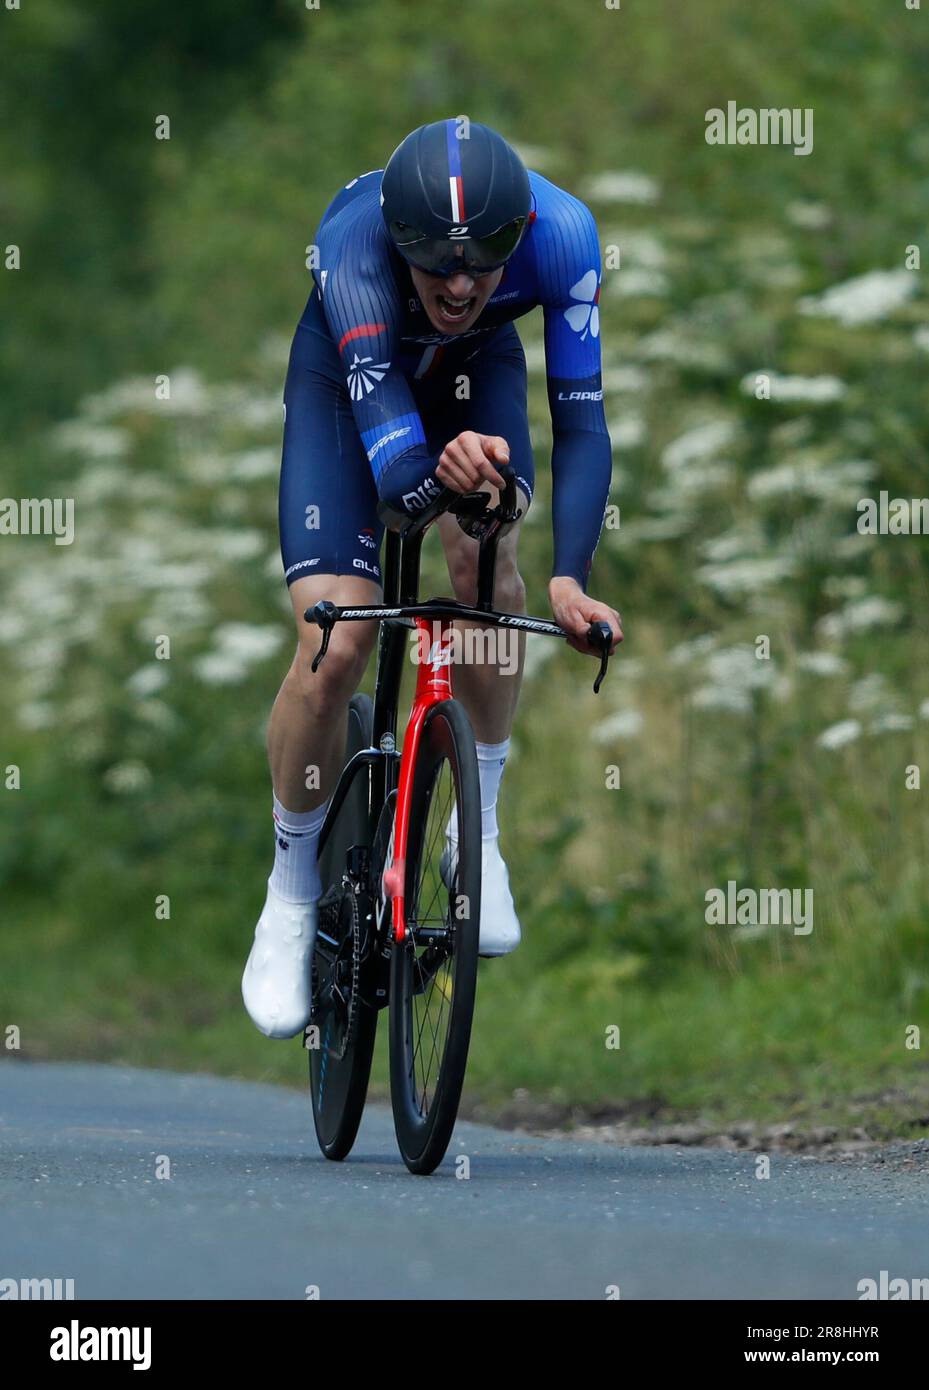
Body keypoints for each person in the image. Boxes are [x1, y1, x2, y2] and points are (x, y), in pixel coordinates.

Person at [243, 118, 622, 1038]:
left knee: (487, 568)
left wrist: (570, 578)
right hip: (348, 388)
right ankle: (289, 890)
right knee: (338, 639)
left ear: (519, 232)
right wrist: (439, 474)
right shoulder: (352, 245)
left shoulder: (566, 235)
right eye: (435, 266)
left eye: (484, 264)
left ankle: (475, 838)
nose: (458, 286)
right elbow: (397, 481)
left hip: (477, 371)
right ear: (398, 240)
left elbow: (581, 424)